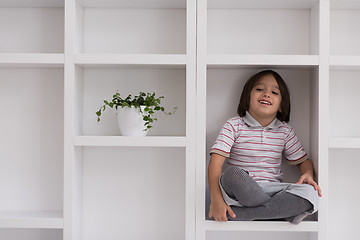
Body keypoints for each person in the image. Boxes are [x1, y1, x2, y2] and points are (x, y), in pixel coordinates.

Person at [208, 70, 322, 224]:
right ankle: (279, 213)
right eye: (260, 89)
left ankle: (243, 214)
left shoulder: (284, 131)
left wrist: (308, 174)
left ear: (282, 105)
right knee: (232, 174)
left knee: (311, 193)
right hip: (239, 191)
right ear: (247, 97)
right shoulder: (234, 126)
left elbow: (304, 162)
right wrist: (216, 200)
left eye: (274, 92)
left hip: (272, 191)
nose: (267, 94)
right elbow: (215, 164)